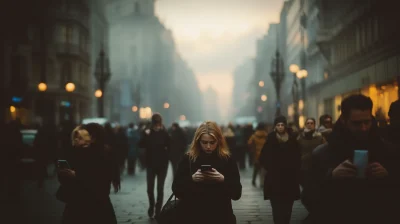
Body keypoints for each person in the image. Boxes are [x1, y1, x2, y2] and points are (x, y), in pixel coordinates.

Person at [309, 95, 398, 224]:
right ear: (344, 120)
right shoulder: (323, 153)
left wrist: (388, 176)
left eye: (367, 122)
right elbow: (309, 198)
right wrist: (331, 176)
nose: (363, 128)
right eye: (356, 123)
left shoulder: (387, 150)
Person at [172, 121, 242, 224]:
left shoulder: (227, 159)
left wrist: (223, 179)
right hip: (193, 216)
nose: (208, 146)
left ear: (218, 141)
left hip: (221, 216)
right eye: (204, 142)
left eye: (212, 142)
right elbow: (176, 189)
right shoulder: (188, 159)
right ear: (198, 141)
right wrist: (192, 179)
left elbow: (237, 194)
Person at [57, 123, 120, 224]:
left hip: (87, 203)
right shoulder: (87, 151)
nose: (78, 139)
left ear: (93, 137)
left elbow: (98, 179)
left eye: (84, 136)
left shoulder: (99, 154)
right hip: (95, 203)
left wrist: (75, 176)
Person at [259, 116, 301, 224]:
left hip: (289, 179)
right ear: (275, 126)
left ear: (285, 126)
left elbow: (297, 156)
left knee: (288, 208)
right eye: (278, 125)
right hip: (275, 179)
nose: (280, 127)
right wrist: (271, 167)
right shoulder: (271, 139)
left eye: (282, 125)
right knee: (276, 208)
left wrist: (294, 169)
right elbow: (263, 157)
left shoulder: (292, 139)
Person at [139, 113, 171, 218]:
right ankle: (151, 205)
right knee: (150, 188)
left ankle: (158, 210)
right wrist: (145, 134)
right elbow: (141, 144)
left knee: (160, 188)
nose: (157, 125)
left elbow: (170, 145)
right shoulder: (148, 132)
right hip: (151, 164)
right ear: (153, 123)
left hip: (162, 164)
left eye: (158, 122)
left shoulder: (165, 132)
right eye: (155, 123)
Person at [247, 122, 268, 187]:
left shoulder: (254, 136)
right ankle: (263, 182)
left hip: (256, 154)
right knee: (264, 169)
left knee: (256, 168)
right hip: (265, 154)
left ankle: (253, 180)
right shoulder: (266, 135)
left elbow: (249, 143)